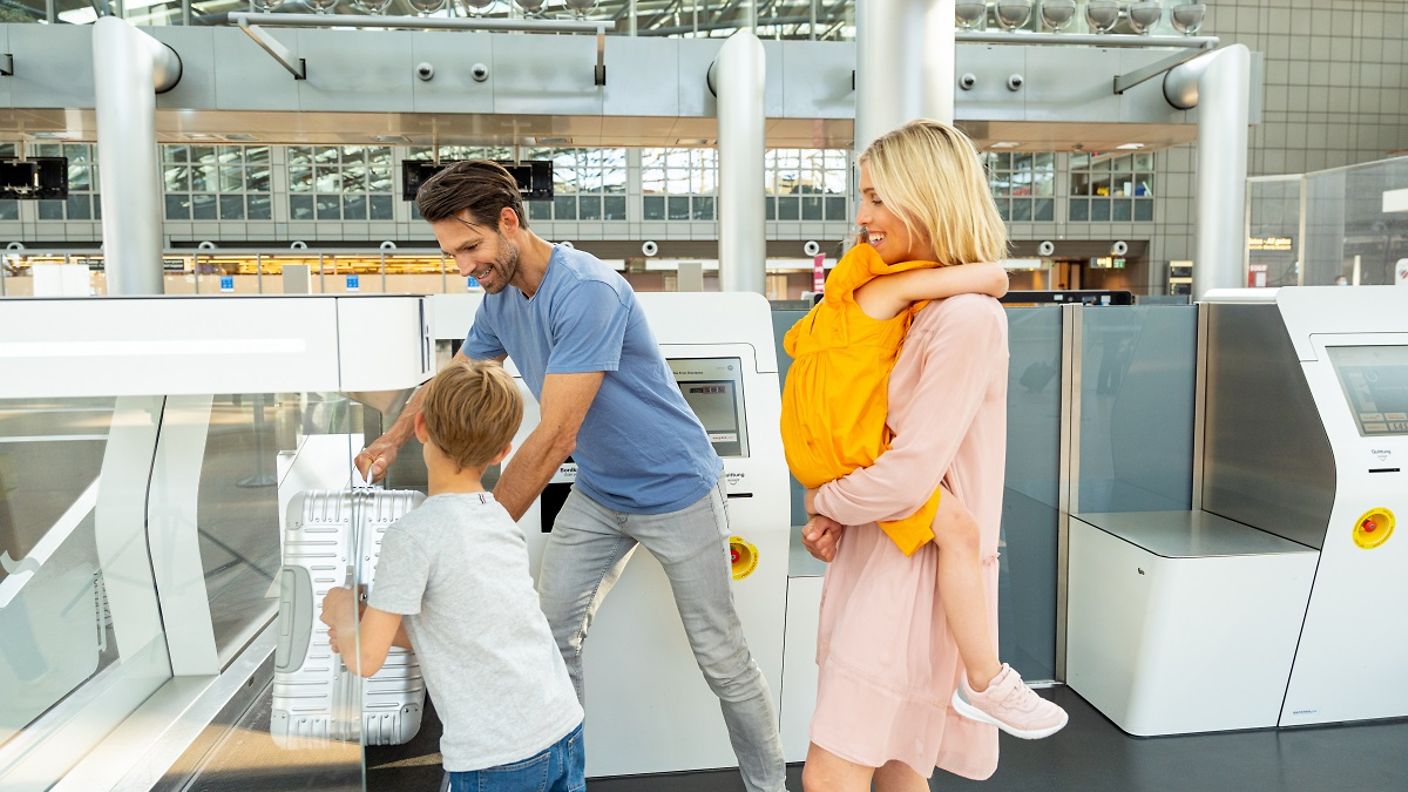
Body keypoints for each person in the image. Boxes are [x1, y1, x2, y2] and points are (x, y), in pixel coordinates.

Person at [357, 161, 787, 792]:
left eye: (470, 248)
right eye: (452, 253)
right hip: (600, 492)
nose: (464, 267)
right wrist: (393, 438)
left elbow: (555, 434)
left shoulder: (587, 290)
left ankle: (769, 785)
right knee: (550, 635)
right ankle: (560, 776)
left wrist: (468, 529)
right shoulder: (498, 296)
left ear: (509, 221)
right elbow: (453, 381)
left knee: (721, 656)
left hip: (677, 490)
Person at [797, 121, 1067, 792]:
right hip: (887, 557)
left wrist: (823, 496)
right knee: (896, 767)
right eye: (863, 198)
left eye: (880, 198)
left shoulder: (965, 319)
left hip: (910, 581)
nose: (864, 218)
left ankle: (989, 681)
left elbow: (908, 474)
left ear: (932, 198)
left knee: (836, 771)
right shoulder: (918, 307)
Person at [321, 359, 585, 792]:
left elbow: (365, 661)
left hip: (496, 757)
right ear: (504, 453)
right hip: (561, 727)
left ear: (420, 427)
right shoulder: (498, 518)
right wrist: (373, 616)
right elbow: (461, 628)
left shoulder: (413, 536)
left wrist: (346, 616)